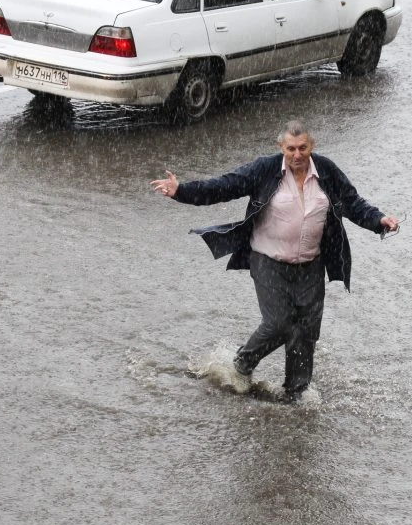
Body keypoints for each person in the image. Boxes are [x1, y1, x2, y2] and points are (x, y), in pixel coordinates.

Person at [151, 120, 399, 403]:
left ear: (311, 146)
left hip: (311, 264)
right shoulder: (265, 170)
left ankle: (296, 393)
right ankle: (242, 364)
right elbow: (224, 186)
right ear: (281, 148)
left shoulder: (326, 171)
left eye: (302, 148)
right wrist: (181, 190)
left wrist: (379, 221)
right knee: (279, 322)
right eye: (290, 148)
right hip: (267, 260)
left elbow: (353, 202)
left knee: (305, 331)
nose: (297, 155)